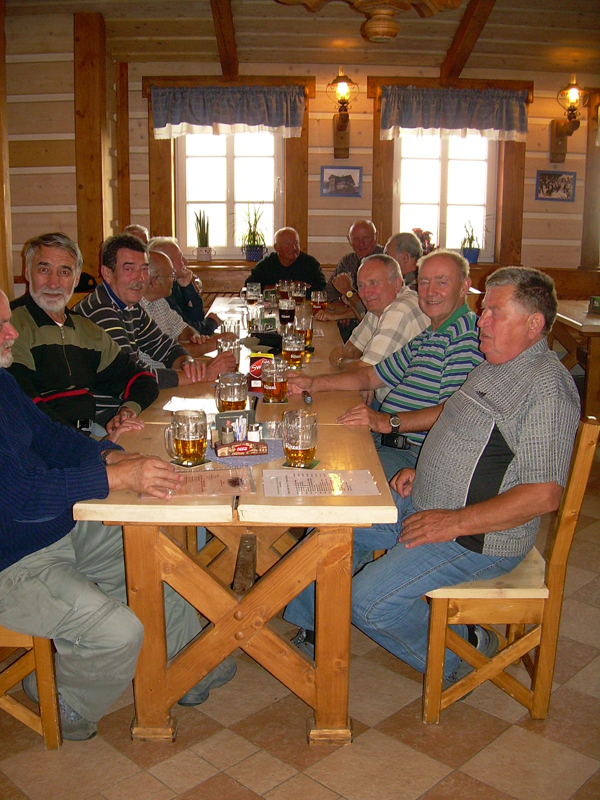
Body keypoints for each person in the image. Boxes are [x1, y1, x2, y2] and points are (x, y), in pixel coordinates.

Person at [288, 268, 581, 674]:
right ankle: (317, 629)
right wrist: (424, 471)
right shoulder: (496, 364)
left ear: (534, 324)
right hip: (426, 502)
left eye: (494, 313)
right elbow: (457, 422)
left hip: (475, 537)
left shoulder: (547, 389)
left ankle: (465, 650)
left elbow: (543, 494)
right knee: (329, 526)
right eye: (483, 310)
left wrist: (452, 522)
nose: (481, 321)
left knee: (368, 602)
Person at [0, 290, 236, 740]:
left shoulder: (1, 381)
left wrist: (109, 455)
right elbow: (18, 497)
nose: (12, 332)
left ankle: (188, 664)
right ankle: (59, 694)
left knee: (155, 552)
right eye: (0, 326)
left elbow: (50, 437)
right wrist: (114, 477)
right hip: (11, 558)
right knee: (117, 632)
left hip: (54, 525)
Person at [289, 250, 483, 480]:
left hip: (415, 455)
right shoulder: (430, 334)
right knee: (316, 444)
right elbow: (370, 376)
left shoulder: (466, 337)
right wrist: (312, 383)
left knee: (330, 477)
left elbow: (454, 411)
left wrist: (386, 421)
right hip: (389, 439)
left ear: (464, 286)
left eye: (441, 282)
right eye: (424, 282)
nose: (430, 291)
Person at [9, 232, 158, 435]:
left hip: (89, 434)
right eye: (44, 270)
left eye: (64, 272)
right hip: (41, 443)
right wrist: (96, 448)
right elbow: (25, 408)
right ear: (27, 272)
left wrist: (127, 411)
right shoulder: (10, 326)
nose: (53, 283)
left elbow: (142, 379)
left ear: (77, 278)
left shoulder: (86, 330)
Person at [74, 234, 235, 391]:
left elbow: (164, 346)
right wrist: (203, 374)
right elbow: (133, 376)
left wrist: (187, 364)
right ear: (107, 273)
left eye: (144, 269)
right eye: (129, 269)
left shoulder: (130, 306)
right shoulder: (101, 311)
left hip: (131, 401)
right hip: (107, 408)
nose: (140, 278)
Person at [328, 254, 428, 405]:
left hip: (404, 410)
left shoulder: (399, 310)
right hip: (387, 400)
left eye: (373, 283)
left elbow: (365, 370)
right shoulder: (379, 305)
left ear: (396, 284)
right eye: (361, 285)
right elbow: (352, 349)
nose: (366, 293)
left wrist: (341, 361)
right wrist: (362, 373)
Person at [141, 248, 231, 360]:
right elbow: (167, 350)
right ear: (155, 282)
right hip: (157, 370)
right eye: (171, 275)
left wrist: (195, 338)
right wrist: (215, 343)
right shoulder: (138, 309)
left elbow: (184, 328)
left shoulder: (159, 302)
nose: (173, 280)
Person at [320, 219, 384, 339]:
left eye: (366, 238)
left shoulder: (384, 261)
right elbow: (329, 291)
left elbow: (372, 309)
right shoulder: (348, 260)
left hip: (374, 329)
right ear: (349, 240)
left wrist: (346, 307)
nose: (361, 244)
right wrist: (339, 305)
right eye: (356, 239)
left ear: (376, 237)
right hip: (349, 323)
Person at [149, 236, 221, 335]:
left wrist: (187, 286)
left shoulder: (175, 285)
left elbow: (196, 319)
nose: (186, 262)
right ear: (165, 262)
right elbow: (186, 329)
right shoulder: (160, 294)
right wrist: (211, 323)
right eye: (180, 258)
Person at [245, 227, 326, 296]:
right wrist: (280, 288)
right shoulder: (266, 264)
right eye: (287, 244)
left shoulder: (310, 263)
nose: (293, 248)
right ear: (276, 247)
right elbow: (250, 287)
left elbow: (322, 288)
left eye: (296, 243)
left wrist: (299, 289)